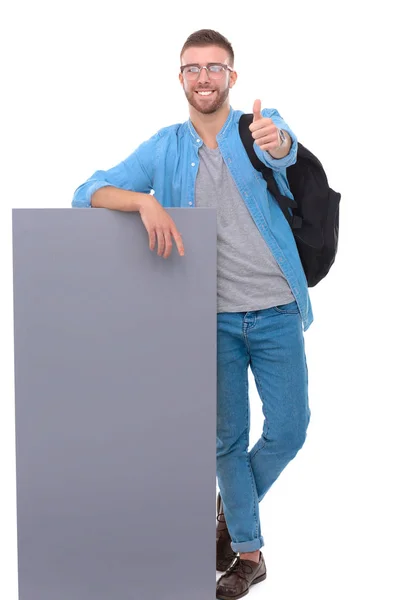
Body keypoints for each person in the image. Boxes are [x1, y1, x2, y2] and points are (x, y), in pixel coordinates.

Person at [72, 28, 312, 600]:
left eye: (215, 67)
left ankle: (230, 512)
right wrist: (144, 200)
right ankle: (249, 555)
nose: (204, 77)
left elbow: (287, 154)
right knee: (226, 440)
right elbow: (87, 192)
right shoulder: (165, 147)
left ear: (233, 76)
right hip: (209, 319)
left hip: (276, 307)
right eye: (193, 68)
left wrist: (276, 143)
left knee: (290, 430)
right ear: (180, 78)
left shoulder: (259, 126)